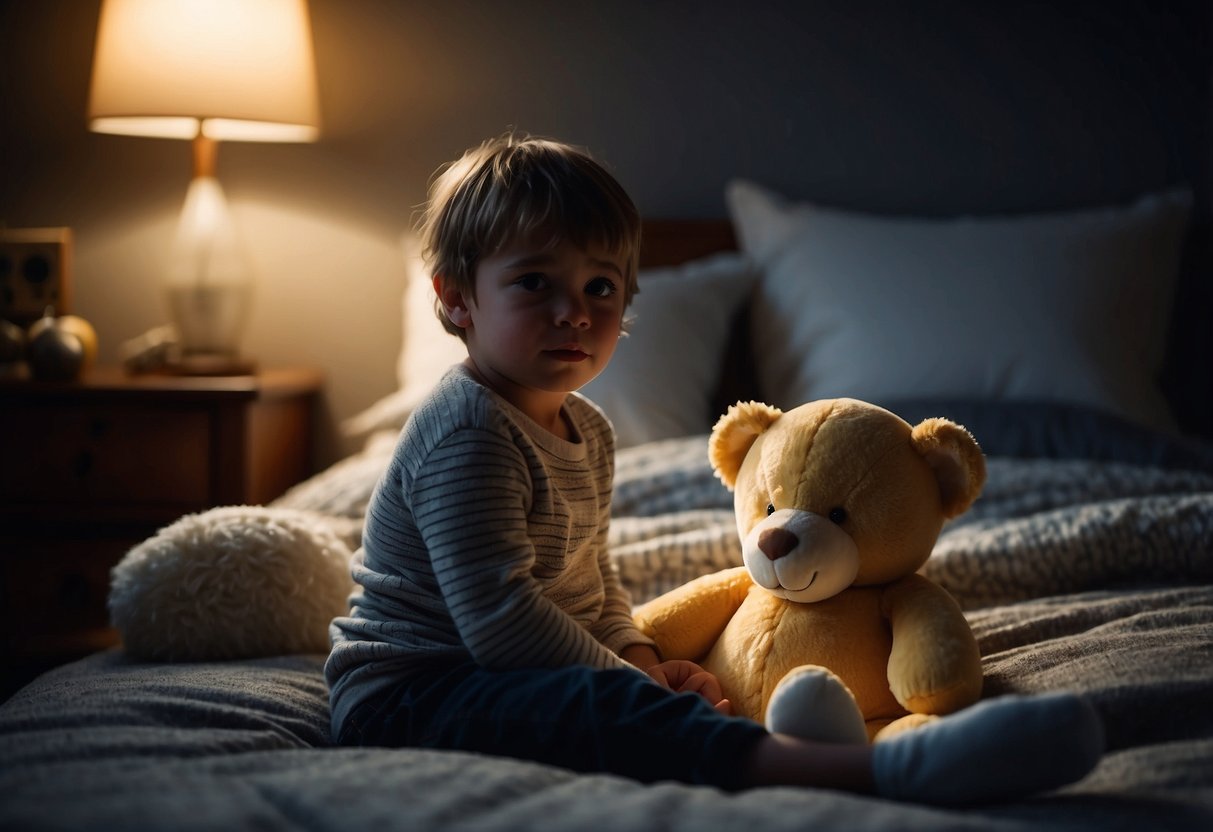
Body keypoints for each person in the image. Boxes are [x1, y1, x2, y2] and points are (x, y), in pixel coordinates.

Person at [325, 133, 1104, 804]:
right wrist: (629, 685)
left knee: (649, 686)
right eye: (535, 283)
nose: (575, 312)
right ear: (456, 301)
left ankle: (779, 728)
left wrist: (644, 659)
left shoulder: (587, 430)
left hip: (501, 670)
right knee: (603, 713)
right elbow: (499, 622)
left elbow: (590, 585)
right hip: (406, 693)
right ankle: (859, 770)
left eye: (600, 287)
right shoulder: (467, 435)